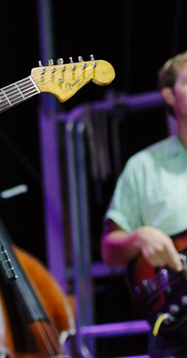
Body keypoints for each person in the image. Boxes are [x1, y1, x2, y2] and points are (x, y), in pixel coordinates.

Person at [101, 50, 187, 358]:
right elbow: (110, 251)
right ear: (168, 94)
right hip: (176, 329)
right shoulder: (143, 166)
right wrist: (139, 237)